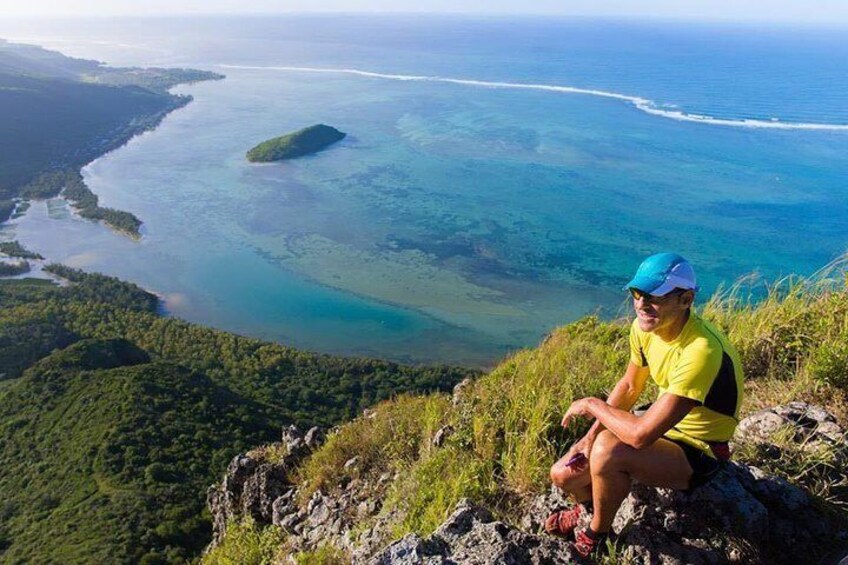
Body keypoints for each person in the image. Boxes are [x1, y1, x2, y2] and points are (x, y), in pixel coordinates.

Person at [545, 252, 744, 558]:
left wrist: (592, 405)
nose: (640, 304)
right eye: (637, 293)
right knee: (563, 474)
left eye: (654, 296)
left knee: (608, 452)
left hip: (700, 448)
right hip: (661, 419)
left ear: (686, 299)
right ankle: (590, 509)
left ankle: (597, 532)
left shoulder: (700, 350)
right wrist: (589, 436)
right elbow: (629, 385)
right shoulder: (645, 326)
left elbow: (641, 436)